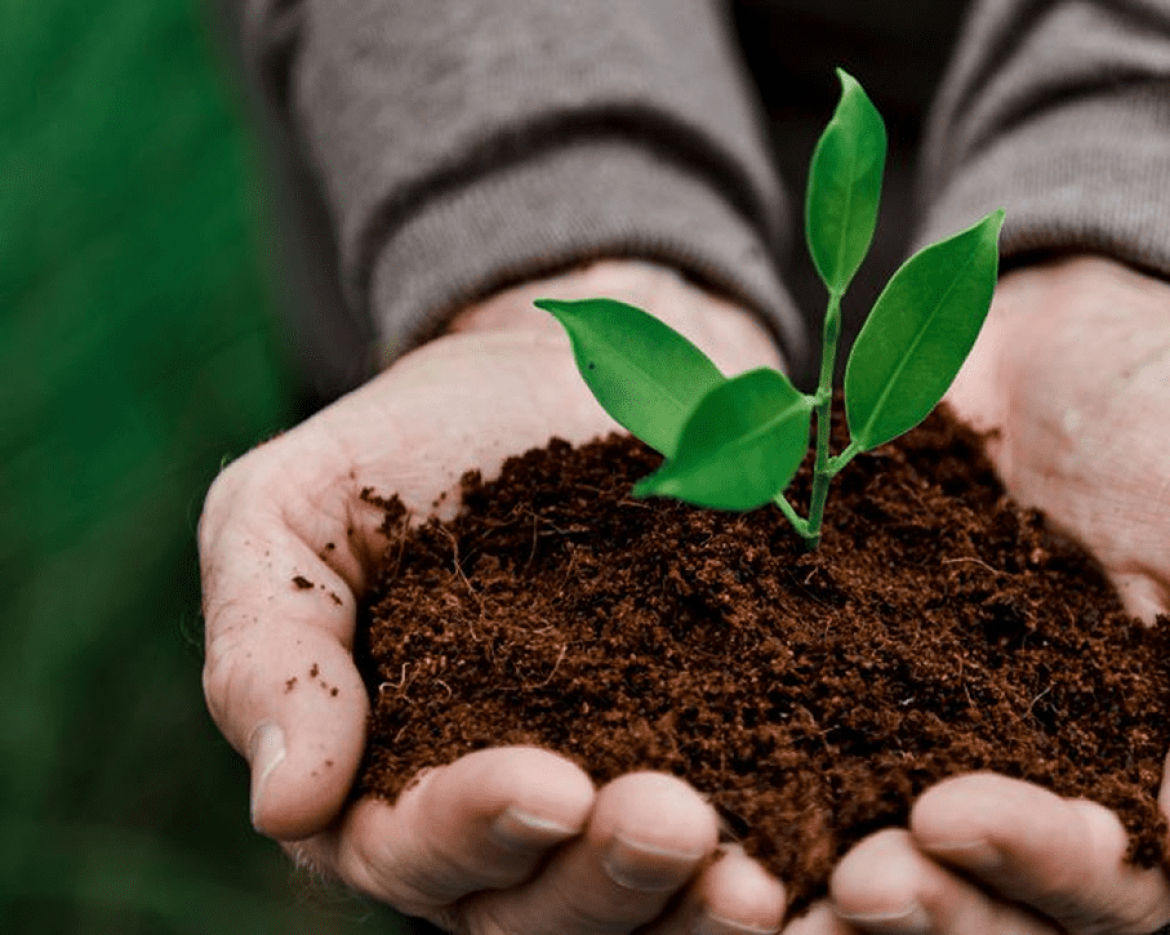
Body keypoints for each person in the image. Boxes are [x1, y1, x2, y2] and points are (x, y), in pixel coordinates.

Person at [200, 1, 1170, 932]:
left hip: (1063, 194)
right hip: (421, 180)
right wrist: (548, 210)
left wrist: (1127, 181)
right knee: (514, 843)